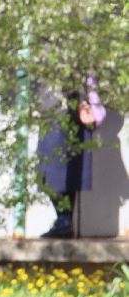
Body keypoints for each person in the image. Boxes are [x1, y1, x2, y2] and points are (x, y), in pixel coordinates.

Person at [37, 78, 106, 239]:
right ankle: (64, 220)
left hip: (67, 116)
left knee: (65, 173)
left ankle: (64, 221)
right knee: (51, 174)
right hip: (55, 116)